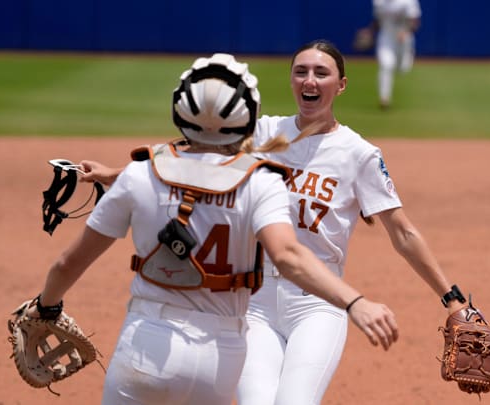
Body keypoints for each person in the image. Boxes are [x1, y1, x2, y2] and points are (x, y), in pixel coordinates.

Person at [81, 41, 468, 405]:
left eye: (321, 72)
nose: (309, 81)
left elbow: (402, 232)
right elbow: (191, 156)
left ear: (341, 84)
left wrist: (451, 299)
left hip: (316, 303)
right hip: (255, 301)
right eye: (301, 71)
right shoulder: (264, 133)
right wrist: (115, 174)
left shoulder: (359, 154)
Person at [370, 0, 422, 109]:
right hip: (386, 38)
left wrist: (406, 31)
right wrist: (370, 32)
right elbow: (378, 21)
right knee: (386, 65)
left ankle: (409, 56)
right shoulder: (378, 2)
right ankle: (384, 99)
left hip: (404, 39)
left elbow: (415, 21)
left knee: (403, 69)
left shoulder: (408, 2)